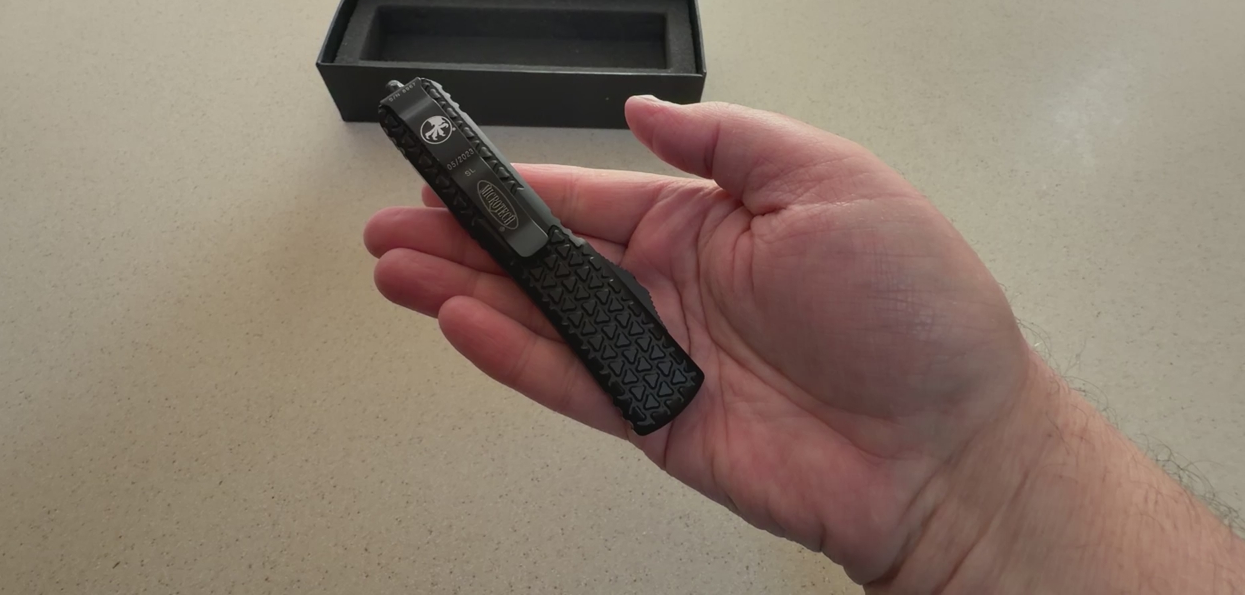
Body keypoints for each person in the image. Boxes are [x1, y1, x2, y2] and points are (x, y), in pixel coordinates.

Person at [364, 96, 1245, 593]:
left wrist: (985, 472)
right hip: (610, 325)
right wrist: (983, 486)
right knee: (525, 263)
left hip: (620, 331)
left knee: (532, 260)